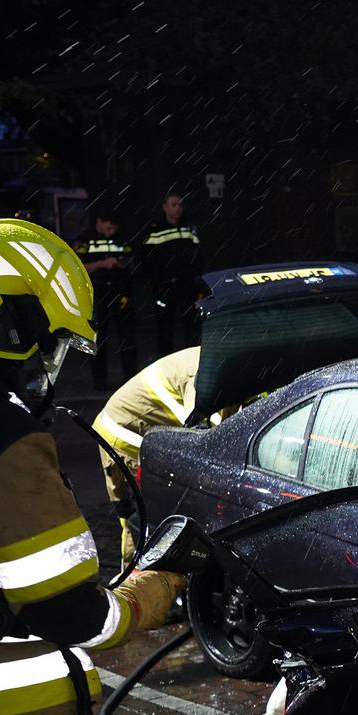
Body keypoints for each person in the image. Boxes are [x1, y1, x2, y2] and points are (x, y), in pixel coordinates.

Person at [0, 218, 183, 715]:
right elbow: (73, 611)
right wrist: (155, 587)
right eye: (51, 347)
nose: (52, 370)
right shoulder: (5, 434)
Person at [93, 347, 222, 566]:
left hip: (139, 429)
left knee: (150, 516)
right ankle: (134, 579)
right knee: (144, 520)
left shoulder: (217, 360)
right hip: (124, 435)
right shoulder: (203, 376)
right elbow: (200, 434)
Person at [75, 208, 137, 389]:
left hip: (120, 293)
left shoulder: (121, 238)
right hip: (97, 294)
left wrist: (123, 263)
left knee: (127, 338)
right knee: (98, 340)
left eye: (114, 229)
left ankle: (130, 380)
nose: (112, 232)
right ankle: (99, 381)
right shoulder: (85, 239)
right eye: (109, 228)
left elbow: (131, 259)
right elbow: (78, 266)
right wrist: (103, 264)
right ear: (99, 222)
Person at [138, 193, 202, 356]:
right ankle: (165, 365)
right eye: (174, 204)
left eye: (180, 204)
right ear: (164, 207)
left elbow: (198, 255)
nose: (178, 208)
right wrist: (157, 284)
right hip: (165, 287)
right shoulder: (154, 230)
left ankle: (192, 363)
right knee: (165, 330)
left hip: (188, 285)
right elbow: (147, 260)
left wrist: (196, 279)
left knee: (192, 328)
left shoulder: (189, 228)